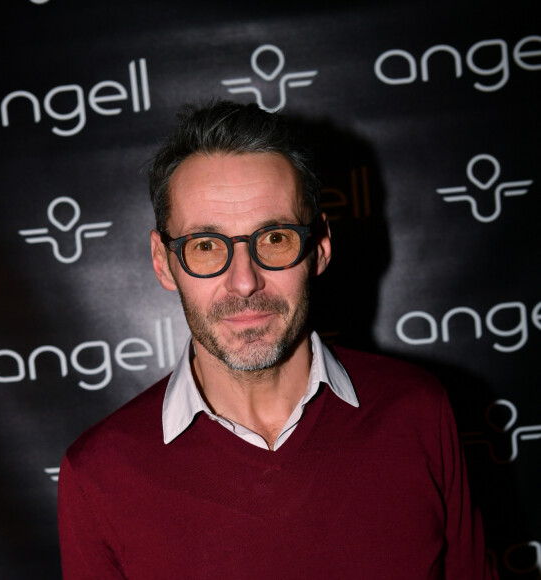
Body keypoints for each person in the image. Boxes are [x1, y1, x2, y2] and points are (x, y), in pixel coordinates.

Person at [58, 100, 497, 579]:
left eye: (274, 239)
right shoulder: (99, 475)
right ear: (164, 261)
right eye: (206, 246)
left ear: (320, 247)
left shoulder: (418, 412)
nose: (244, 282)